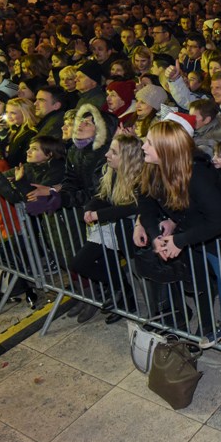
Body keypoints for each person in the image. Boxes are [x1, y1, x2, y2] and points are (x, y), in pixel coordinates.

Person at [133, 121, 221, 338]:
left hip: (217, 237)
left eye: (149, 143)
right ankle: (192, 323)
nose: (143, 147)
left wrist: (179, 240)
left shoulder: (197, 174)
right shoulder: (152, 169)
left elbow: (219, 220)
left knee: (210, 280)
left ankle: (212, 325)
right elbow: (145, 203)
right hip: (189, 230)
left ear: (166, 150)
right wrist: (154, 233)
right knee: (193, 277)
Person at [67, 134, 145, 324]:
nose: (107, 155)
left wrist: (99, 215)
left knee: (140, 274)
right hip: (109, 228)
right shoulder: (110, 171)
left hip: (129, 230)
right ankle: (123, 293)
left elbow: (133, 206)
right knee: (80, 263)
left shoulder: (141, 177)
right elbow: (102, 194)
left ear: (127, 157)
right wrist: (90, 208)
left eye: (114, 152)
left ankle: (128, 300)